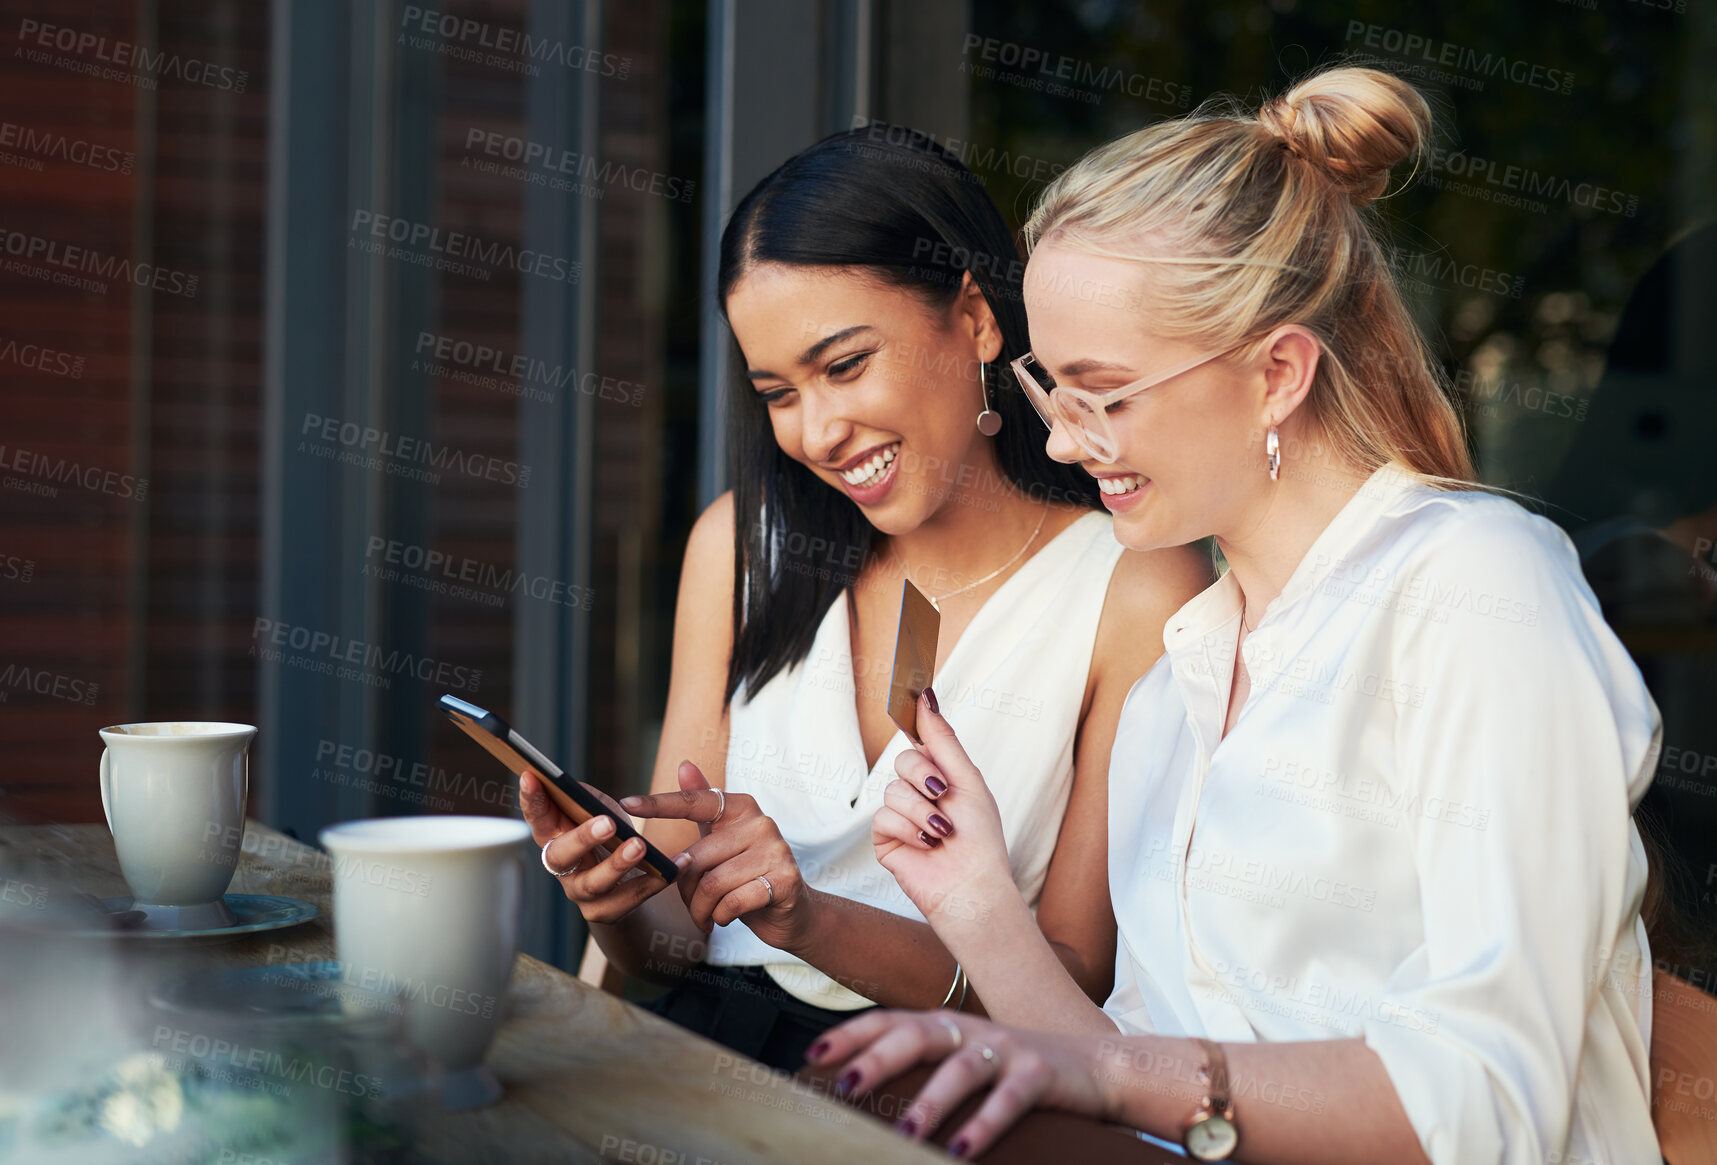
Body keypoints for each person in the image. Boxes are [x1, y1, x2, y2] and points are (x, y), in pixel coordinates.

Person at [811, 67, 1663, 1165]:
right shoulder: (1180, 679)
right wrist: (975, 900)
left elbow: (1490, 1098)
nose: (1065, 443)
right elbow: (1153, 1082)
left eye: (1102, 393)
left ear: (1276, 374)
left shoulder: (1477, 589)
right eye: (1049, 389)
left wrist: (1116, 1073)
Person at [515, 126, 1211, 1071]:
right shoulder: (741, 544)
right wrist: (619, 898)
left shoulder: (1132, 587)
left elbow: (1073, 979)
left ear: (975, 319)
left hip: (935, 1090)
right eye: (778, 391)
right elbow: (676, 940)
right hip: (706, 1061)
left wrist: (810, 919)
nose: (818, 430)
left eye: (844, 366)